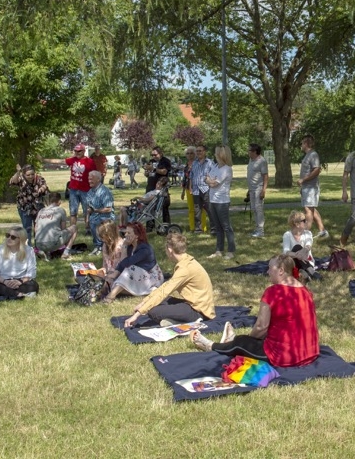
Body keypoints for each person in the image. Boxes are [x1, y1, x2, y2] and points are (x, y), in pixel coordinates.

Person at [191, 254, 320, 368]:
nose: (268, 271)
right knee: (253, 339)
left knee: (241, 342)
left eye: (270, 268)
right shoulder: (305, 290)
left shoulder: (273, 292)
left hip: (285, 356)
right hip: (310, 352)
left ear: (281, 270)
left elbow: (261, 327)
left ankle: (210, 345)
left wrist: (248, 341)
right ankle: (232, 339)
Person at [123, 232, 215, 324]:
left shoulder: (185, 269)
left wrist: (138, 314)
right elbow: (164, 287)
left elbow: (165, 291)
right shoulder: (186, 261)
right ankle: (174, 319)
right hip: (195, 304)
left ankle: (182, 320)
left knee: (153, 312)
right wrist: (143, 303)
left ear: (170, 250)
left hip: (199, 311)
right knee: (163, 301)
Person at [102, 223, 164, 303]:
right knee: (115, 280)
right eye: (125, 232)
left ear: (137, 235)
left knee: (129, 270)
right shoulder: (130, 246)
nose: (126, 235)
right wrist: (114, 274)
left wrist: (124, 246)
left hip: (152, 277)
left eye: (129, 233)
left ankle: (111, 296)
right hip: (136, 275)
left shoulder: (144, 249)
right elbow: (122, 264)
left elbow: (126, 264)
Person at [0, 226, 39, 298]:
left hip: (20, 281)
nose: (9, 239)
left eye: (13, 237)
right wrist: (5, 282)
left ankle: (6, 293)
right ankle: (17, 294)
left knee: (33, 285)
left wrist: (20, 281)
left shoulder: (29, 250)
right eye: (7, 235)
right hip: (2, 281)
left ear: (21, 240)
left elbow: (31, 272)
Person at [205, 145, 236, 260]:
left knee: (226, 226)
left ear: (221, 155)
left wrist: (209, 181)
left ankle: (231, 250)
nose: (214, 154)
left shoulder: (227, 169)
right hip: (212, 199)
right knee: (218, 227)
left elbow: (213, 183)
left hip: (222, 201)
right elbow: (207, 178)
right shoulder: (215, 166)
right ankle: (219, 250)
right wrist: (209, 180)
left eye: (216, 153)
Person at [8, 164, 48, 243]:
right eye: (28, 175)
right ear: (24, 174)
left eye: (32, 174)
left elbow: (44, 186)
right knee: (27, 229)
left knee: (39, 228)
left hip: (38, 207)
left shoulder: (39, 179)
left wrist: (40, 190)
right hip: (24, 207)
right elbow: (13, 181)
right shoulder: (21, 179)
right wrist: (18, 172)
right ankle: (28, 249)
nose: (30, 176)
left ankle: (39, 248)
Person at [298, 135, 328, 239]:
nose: (301, 146)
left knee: (308, 210)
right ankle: (322, 231)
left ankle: (305, 234)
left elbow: (317, 170)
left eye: (302, 143)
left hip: (311, 187)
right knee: (311, 209)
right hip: (306, 187)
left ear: (306, 144)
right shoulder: (307, 155)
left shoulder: (313, 154)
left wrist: (303, 179)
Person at [33, 192, 78, 260]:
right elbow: (63, 228)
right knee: (74, 228)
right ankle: (66, 253)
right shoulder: (60, 210)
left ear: (49, 201)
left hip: (38, 244)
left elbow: (36, 229)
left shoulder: (41, 211)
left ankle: (45, 253)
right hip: (53, 243)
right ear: (59, 201)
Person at [85, 170, 115, 256]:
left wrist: (95, 211)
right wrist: (87, 220)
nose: (89, 181)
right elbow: (88, 208)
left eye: (92, 179)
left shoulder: (105, 192)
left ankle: (102, 246)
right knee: (92, 221)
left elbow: (108, 209)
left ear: (98, 179)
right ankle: (98, 246)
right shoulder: (90, 192)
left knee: (97, 221)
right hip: (94, 215)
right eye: (89, 179)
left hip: (107, 216)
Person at [65, 143, 95, 226]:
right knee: (73, 211)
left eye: (79, 151)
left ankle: (88, 228)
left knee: (87, 211)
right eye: (75, 151)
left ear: (84, 151)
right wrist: (42, 159)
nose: (77, 153)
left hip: (85, 190)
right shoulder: (73, 160)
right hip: (74, 190)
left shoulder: (90, 162)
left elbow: (95, 174)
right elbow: (60, 161)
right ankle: (72, 229)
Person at [181, 146, 209, 233]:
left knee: (201, 208)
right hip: (188, 189)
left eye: (191, 153)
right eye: (187, 153)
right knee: (191, 209)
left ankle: (203, 227)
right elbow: (186, 178)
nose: (189, 155)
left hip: (198, 188)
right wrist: (183, 191)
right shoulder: (186, 164)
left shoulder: (198, 163)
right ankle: (192, 227)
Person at [189, 144, 213, 235]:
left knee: (209, 209)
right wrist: (190, 187)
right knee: (197, 210)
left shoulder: (210, 163)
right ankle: (198, 229)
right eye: (197, 151)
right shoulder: (194, 163)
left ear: (204, 152)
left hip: (206, 189)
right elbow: (191, 176)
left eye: (200, 151)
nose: (198, 153)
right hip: (195, 190)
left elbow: (213, 176)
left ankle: (214, 228)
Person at [246, 143, 269, 238]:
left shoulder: (262, 161)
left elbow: (266, 176)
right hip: (251, 189)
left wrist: (263, 190)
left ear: (255, 151)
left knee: (258, 209)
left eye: (249, 150)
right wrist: (248, 189)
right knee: (253, 209)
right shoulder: (251, 160)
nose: (248, 152)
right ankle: (257, 229)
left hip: (259, 188)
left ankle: (261, 231)